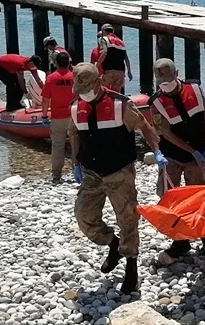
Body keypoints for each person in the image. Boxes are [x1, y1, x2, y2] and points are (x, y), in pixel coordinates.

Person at [68, 62, 168, 294]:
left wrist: (158, 152)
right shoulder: (76, 107)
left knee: (128, 220)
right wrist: (75, 163)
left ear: (98, 82)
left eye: (87, 88)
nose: (83, 93)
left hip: (119, 172)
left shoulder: (120, 105)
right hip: (92, 172)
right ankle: (113, 244)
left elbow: (144, 127)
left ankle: (131, 269)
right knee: (84, 217)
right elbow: (74, 134)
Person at [147, 58, 205, 260]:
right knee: (169, 198)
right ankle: (180, 241)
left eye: (168, 81)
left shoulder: (195, 89)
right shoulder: (156, 102)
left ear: (176, 74)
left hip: (197, 154)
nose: (166, 87)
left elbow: (204, 117)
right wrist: (191, 151)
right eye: (162, 83)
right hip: (172, 156)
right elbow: (166, 133)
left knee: (199, 197)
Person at [39, 52, 78, 184]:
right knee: (76, 145)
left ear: (56, 63)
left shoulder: (51, 78)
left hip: (58, 117)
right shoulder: (74, 77)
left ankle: (56, 175)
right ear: (69, 63)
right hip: (73, 115)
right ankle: (77, 171)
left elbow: (45, 99)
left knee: (57, 146)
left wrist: (44, 115)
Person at [95, 24, 133, 92]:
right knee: (115, 94)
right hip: (121, 72)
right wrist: (129, 71)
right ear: (113, 31)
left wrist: (96, 66)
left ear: (103, 31)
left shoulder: (104, 39)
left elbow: (104, 53)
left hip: (109, 71)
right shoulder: (121, 42)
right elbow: (126, 58)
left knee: (103, 92)